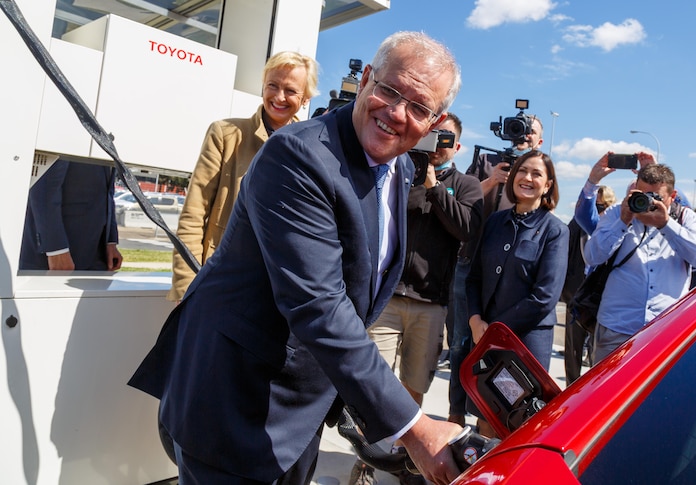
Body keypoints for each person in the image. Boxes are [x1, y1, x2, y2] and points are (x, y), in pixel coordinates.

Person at [128, 31, 465, 485]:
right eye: (389, 89)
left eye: (419, 107)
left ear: (435, 122)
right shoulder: (299, 155)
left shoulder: (401, 167)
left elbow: (359, 290)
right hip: (236, 403)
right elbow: (319, 305)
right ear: (366, 79)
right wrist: (415, 428)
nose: (397, 113)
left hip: (300, 411)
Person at [355, 113, 482, 485]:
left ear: (457, 147)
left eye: (448, 139)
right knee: (371, 386)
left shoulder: (468, 184)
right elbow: (386, 214)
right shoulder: (400, 169)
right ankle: (366, 460)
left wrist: (435, 188)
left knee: (412, 387)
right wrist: (418, 177)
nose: (439, 143)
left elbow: (466, 229)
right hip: (388, 297)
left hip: (431, 302)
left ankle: (404, 459)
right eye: (435, 135)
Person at [168, 51, 319, 301]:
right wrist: (187, 286)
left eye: (290, 90)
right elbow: (194, 214)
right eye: (272, 85)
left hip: (277, 296)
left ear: (306, 98)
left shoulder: (313, 150)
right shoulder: (225, 134)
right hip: (220, 286)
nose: (279, 97)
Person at [465, 149, 568, 437]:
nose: (527, 177)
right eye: (523, 170)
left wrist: (495, 331)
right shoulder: (495, 222)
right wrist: (475, 321)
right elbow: (473, 278)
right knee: (485, 419)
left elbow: (545, 297)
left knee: (518, 424)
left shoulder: (554, 230)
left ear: (547, 185)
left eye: (537, 174)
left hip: (525, 344)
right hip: (484, 338)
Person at [583, 163, 696, 364]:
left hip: (665, 332)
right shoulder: (617, 212)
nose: (646, 202)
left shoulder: (685, 218)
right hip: (616, 328)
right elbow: (592, 256)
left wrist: (666, 224)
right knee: (605, 392)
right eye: (641, 194)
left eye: (656, 197)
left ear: (673, 196)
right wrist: (623, 221)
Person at [19, 159, 123, 271]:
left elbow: (108, 193)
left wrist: (110, 241)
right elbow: (43, 189)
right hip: (56, 259)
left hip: (97, 255)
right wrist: (56, 249)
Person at [561, 183, 615, 384]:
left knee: (597, 351)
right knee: (572, 348)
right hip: (576, 296)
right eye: (594, 207)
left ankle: (593, 391)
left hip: (602, 300)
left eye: (602, 208)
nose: (598, 213)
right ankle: (569, 390)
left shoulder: (615, 229)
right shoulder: (576, 225)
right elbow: (564, 257)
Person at [465, 116, 543, 217]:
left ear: (540, 142)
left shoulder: (542, 171)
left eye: (531, 131)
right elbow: (465, 196)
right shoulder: (485, 160)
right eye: (522, 128)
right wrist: (491, 181)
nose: (525, 135)